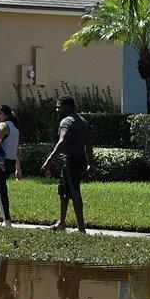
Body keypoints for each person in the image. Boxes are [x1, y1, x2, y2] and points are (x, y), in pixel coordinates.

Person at [40, 95, 93, 233]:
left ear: (68, 106)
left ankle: (81, 229)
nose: (57, 109)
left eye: (59, 106)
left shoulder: (66, 121)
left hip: (71, 160)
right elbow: (88, 143)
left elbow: (62, 142)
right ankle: (61, 223)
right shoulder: (82, 120)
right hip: (78, 158)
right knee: (64, 192)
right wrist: (90, 162)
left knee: (75, 192)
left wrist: (48, 160)